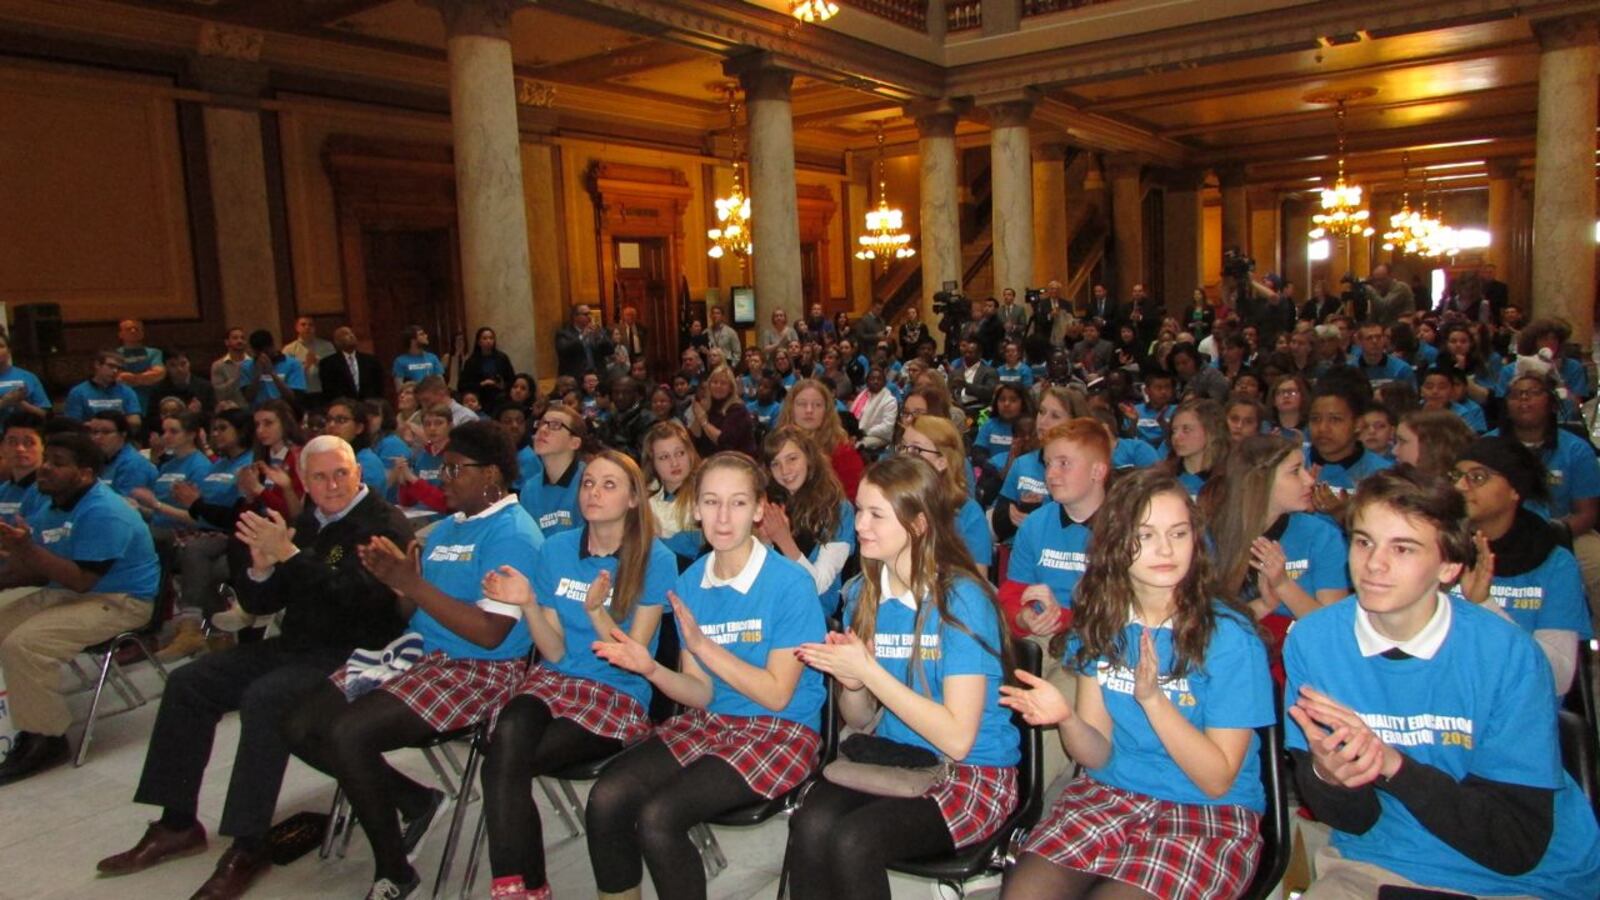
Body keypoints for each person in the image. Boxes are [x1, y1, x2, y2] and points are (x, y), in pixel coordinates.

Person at [96, 436, 411, 897]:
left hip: (359, 653)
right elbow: (265, 603)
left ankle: (248, 843)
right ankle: (177, 823)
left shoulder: (383, 524)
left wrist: (290, 557)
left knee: (265, 699)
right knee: (189, 683)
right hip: (300, 644)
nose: (332, 485)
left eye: (341, 473)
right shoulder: (310, 521)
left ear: (359, 473)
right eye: (320, 477)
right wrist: (262, 568)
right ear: (304, 481)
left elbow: (359, 600)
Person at [1283, 467, 1600, 899]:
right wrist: (1329, 776)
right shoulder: (1315, 642)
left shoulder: (1508, 655)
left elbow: (1516, 846)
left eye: (1403, 548)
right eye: (1363, 542)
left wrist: (1394, 767)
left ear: (1449, 566)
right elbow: (1354, 822)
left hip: (1521, 881)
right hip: (1379, 863)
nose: (1374, 564)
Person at [283, 422, 543, 900]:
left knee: (348, 732)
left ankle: (395, 873)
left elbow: (491, 634)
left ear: (491, 475)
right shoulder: (446, 528)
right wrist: (397, 581)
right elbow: (411, 612)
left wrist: (413, 584)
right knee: (299, 725)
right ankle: (414, 799)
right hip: (421, 653)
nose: (442, 477)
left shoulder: (513, 534)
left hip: (479, 670)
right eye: (442, 467)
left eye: (454, 469)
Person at [999, 468, 1273, 900]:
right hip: (1111, 795)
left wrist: (1154, 701)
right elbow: (1098, 753)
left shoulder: (1229, 637)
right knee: (1024, 892)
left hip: (1207, 813)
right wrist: (1067, 719)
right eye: (1145, 535)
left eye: (1179, 533)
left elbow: (1218, 778)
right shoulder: (1103, 622)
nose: (1166, 549)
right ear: (1116, 542)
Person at [585, 451, 826, 900]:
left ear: (759, 510)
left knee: (659, 817)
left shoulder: (791, 584)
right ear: (695, 509)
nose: (723, 517)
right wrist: (651, 668)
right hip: (711, 722)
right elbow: (699, 693)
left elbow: (777, 695)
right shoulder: (691, 582)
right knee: (607, 798)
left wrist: (703, 646)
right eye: (711, 502)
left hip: (780, 731)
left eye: (738, 503)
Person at [787, 456, 1018, 900]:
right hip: (897, 759)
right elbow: (860, 717)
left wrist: (869, 671)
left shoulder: (961, 601)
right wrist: (853, 682)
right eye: (859, 510)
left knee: (854, 841)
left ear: (918, 524)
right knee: (811, 822)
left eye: (876, 514)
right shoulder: (864, 594)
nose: (859, 524)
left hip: (971, 773)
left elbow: (958, 740)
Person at [474, 450, 675, 900]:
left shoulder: (654, 558)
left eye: (608, 485)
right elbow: (554, 651)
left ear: (633, 499)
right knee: (510, 731)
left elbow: (631, 656)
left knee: (505, 764)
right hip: (555, 681)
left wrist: (596, 611)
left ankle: (524, 887)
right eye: (588, 483)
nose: (593, 493)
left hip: (615, 691)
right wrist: (528, 603)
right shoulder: (557, 549)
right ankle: (517, 884)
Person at [0, 433, 163, 784]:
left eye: (58, 463)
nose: (45, 468)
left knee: (24, 645)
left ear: (85, 474)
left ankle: (45, 739)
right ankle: (24, 715)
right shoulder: (50, 507)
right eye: (47, 460)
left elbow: (81, 580)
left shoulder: (105, 511)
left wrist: (26, 549)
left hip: (120, 600)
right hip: (69, 592)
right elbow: (37, 571)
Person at [1451, 437, 1590, 694]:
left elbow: (1558, 677)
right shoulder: (1440, 549)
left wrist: (1485, 605)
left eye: (1477, 477)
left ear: (1515, 490)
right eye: (1456, 476)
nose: (1459, 486)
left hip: (1520, 705)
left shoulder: (1555, 563)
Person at [762, 425, 855, 618]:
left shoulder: (838, 509)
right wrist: (764, 543)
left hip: (813, 613)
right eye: (775, 464)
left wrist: (784, 540)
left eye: (792, 459)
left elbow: (818, 586)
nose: (784, 470)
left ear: (809, 458)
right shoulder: (768, 503)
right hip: (769, 607)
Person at [898, 414, 992, 577]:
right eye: (903, 446)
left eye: (916, 449)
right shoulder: (890, 501)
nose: (905, 455)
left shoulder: (968, 513)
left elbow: (977, 579)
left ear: (941, 462)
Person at [775, 378, 865, 499]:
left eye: (817, 405)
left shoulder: (843, 451)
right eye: (802, 404)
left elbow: (854, 498)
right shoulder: (777, 445)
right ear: (790, 408)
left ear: (826, 410)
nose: (809, 410)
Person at [1307, 382, 1392, 493]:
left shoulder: (1383, 475)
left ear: (1358, 424)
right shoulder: (1292, 465)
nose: (1322, 428)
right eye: (1315, 419)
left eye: (1335, 419)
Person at [643, 420, 704, 565]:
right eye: (664, 457)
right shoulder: (645, 501)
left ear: (690, 453)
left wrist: (656, 541)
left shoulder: (705, 495)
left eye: (680, 453)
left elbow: (694, 547)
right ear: (652, 463)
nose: (674, 463)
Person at [519, 406, 587, 536]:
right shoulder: (529, 489)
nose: (543, 430)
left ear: (575, 443)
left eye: (555, 425)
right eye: (542, 423)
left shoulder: (588, 482)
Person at [1165, 397, 1228, 497]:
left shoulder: (1229, 477)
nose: (1176, 437)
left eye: (1186, 429)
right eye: (1174, 430)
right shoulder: (1163, 476)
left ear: (1210, 431)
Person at [686, 366, 755, 458]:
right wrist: (698, 415)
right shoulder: (709, 405)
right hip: (710, 458)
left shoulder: (737, 409)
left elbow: (725, 441)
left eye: (723, 383)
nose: (718, 386)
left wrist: (703, 422)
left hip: (736, 460)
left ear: (730, 388)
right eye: (715, 382)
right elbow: (695, 437)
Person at [87, 411, 158, 499]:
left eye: (106, 432)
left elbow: (126, 503)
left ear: (123, 434)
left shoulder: (133, 464)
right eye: (94, 432)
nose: (97, 437)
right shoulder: (100, 460)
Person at [65, 350, 142, 428]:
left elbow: (135, 422)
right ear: (97, 365)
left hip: (118, 434)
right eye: (111, 366)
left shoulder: (127, 391)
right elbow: (72, 424)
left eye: (119, 368)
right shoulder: (78, 392)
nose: (115, 371)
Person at [239, 330, 307, 410]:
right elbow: (248, 398)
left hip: (285, 411)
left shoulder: (293, 364)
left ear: (272, 346)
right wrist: (257, 375)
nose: (263, 356)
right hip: (258, 411)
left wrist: (272, 373)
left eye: (266, 352)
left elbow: (293, 398)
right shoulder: (247, 367)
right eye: (258, 353)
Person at [0, 412, 49, 522]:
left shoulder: (50, 491)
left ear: (44, 447)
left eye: (29, 442)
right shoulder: (2, 490)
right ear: (2, 448)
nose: (20, 449)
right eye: (12, 442)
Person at [115, 318, 167, 416]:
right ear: (120, 334)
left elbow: (159, 374)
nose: (133, 331)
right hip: (123, 403)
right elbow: (116, 377)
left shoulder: (154, 353)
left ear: (142, 333)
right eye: (128, 329)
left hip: (151, 402)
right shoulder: (114, 354)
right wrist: (145, 378)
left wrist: (133, 379)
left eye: (137, 329)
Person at [318, 326, 385, 402]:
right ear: (337, 341)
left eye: (352, 333)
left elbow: (379, 386)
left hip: (368, 404)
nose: (351, 335)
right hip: (343, 405)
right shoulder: (328, 363)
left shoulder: (371, 361)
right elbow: (329, 390)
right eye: (345, 334)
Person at [458, 327, 516, 411]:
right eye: (485, 338)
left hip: (500, 396)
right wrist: (481, 384)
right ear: (478, 342)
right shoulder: (471, 361)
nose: (488, 341)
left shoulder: (502, 358)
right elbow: (462, 385)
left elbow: (512, 379)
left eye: (491, 338)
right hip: (480, 398)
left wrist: (501, 385)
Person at [0, 333, 50, 425]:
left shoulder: (28, 377)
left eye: (1, 346)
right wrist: (4, 402)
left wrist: (21, 404)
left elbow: (45, 415)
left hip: (23, 431)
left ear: (9, 350)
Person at [283, 316, 336, 403]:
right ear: (297, 328)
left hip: (323, 391)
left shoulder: (327, 346)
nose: (307, 327)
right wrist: (306, 365)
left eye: (310, 325)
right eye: (303, 324)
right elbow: (287, 374)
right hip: (300, 393)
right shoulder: (289, 349)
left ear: (315, 328)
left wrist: (318, 362)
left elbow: (334, 370)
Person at [849, 366, 899, 452]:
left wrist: (864, 432)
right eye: (872, 379)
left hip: (878, 436)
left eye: (879, 379)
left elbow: (887, 427)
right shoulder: (863, 395)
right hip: (858, 432)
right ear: (867, 381)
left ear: (884, 382)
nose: (876, 381)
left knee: (857, 445)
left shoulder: (890, 400)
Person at [152, 348, 216, 414]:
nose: (179, 369)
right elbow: (153, 417)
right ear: (166, 367)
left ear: (189, 363)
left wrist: (198, 413)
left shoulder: (205, 387)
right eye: (173, 365)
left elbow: (211, 415)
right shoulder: (158, 390)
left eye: (183, 364)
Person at [212, 327, 251, 409]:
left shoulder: (253, 363)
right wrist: (236, 377)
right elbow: (218, 394)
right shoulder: (218, 365)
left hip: (253, 408)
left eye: (242, 338)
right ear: (227, 342)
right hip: (231, 410)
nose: (240, 341)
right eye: (235, 338)